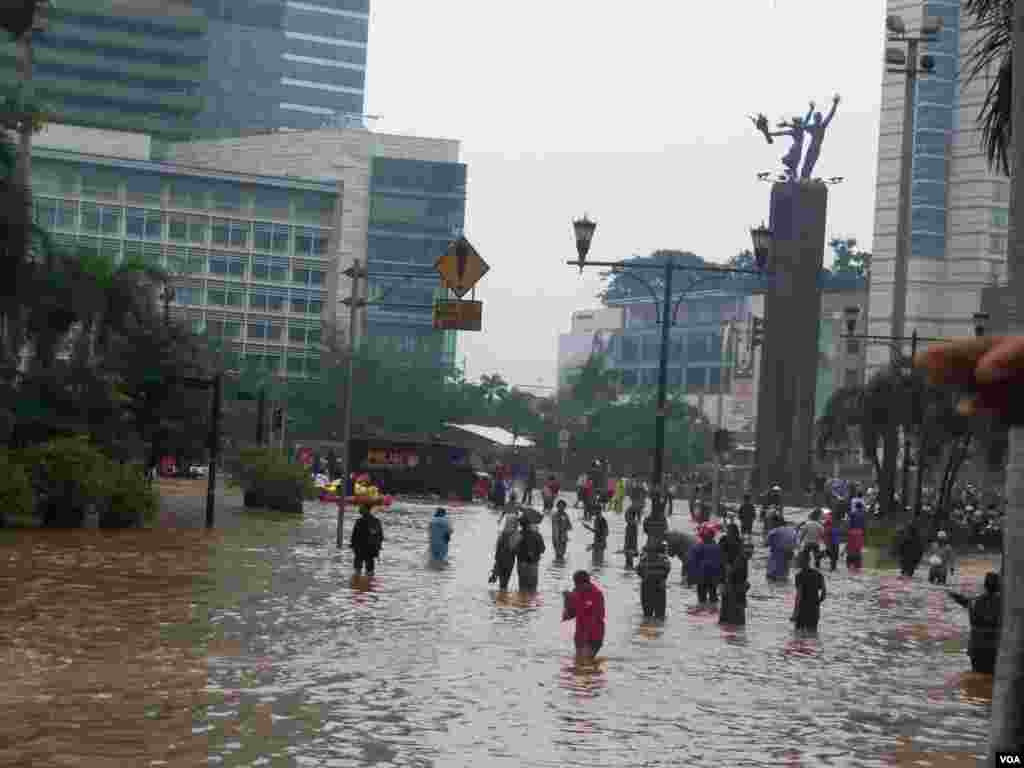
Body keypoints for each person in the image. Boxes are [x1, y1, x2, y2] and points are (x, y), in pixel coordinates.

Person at [949, 572, 1002, 674]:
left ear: (985, 585)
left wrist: (951, 594)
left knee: (977, 675)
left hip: (976, 647)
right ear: (998, 587)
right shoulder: (1003, 604)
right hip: (994, 647)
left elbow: (963, 600)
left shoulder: (974, 601)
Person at [563, 570, 606, 659]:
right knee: (580, 664)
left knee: (583, 662)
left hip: (593, 636)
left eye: (576, 583)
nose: (575, 586)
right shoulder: (577, 592)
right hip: (581, 635)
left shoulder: (595, 593)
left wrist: (572, 598)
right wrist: (567, 601)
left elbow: (588, 609)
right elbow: (568, 616)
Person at [792, 549, 827, 632]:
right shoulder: (818, 574)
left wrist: (795, 613)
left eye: (799, 559)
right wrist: (817, 603)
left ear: (804, 561)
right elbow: (824, 593)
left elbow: (799, 596)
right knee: (813, 635)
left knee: (798, 636)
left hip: (802, 611)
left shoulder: (799, 576)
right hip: (814, 611)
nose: (797, 561)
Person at [689, 526, 723, 604]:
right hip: (713, 576)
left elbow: (692, 562)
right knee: (713, 597)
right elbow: (721, 563)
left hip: (701, 576)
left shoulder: (697, 547)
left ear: (702, 537)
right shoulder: (717, 547)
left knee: (701, 598)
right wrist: (721, 579)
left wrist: (691, 577)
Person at [719, 543, 749, 626]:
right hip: (736, 597)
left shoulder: (738, 561)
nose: (750, 550)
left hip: (733, 595)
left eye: (751, 548)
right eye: (747, 548)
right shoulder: (741, 560)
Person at [350, 504, 384, 576]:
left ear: (366, 509)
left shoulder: (361, 521)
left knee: (360, 570)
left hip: (364, 549)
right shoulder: (375, 521)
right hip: (367, 549)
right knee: (367, 571)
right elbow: (380, 537)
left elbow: (354, 536)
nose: (359, 509)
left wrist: (353, 546)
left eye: (361, 508)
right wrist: (377, 548)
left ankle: (359, 584)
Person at [514, 517, 545, 592]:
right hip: (533, 563)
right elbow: (542, 549)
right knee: (533, 587)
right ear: (529, 525)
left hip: (522, 562)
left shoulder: (517, 534)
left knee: (522, 586)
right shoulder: (537, 535)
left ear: (521, 525)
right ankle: (528, 602)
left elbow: (513, 549)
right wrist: (534, 552)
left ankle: (522, 602)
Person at [490, 516, 519, 591]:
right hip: (509, 560)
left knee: (501, 582)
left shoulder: (501, 534)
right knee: (505, 583)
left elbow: (497, 550)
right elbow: (515, 550)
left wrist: (495, 567)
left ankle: (500, 598)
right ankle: (502, 598)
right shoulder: (516, 535)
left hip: (500, 560)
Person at [847, 494, 866, 568]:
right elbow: (864, 525)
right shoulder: (863, 514)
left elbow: (849, 524)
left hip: (852, 532)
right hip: (860, 532)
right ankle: (858, 564)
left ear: (855, 507)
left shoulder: (852, 514)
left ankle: (850, 563)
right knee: (858, 549)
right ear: (861, 507)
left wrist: (848, 532)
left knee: (851, 549)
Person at [623, 499, 641, 568]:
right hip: (629, 549)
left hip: (630, 549)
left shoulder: (633, 526)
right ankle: (629, 564)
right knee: (630, 548)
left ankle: (629, 565)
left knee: (630, 549)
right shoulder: (631, 526)